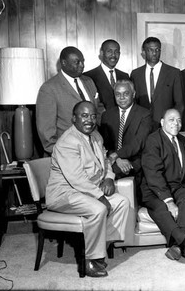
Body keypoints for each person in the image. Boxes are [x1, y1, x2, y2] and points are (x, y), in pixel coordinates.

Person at [46, 101, 129, 277]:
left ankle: (100, 250)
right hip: (65, 193)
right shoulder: (67, 142)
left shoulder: (96, 136)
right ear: (73, 118)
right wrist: (100, 196)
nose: (89, 120)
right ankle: (90, 260)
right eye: (84, 116)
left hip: (88, 190)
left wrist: (108, 178)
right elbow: (76, 179)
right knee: (99, 208)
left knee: (122, 202)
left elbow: (106, 161)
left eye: (93, 116)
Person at [139, 109, 185, 261]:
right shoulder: (153, 140)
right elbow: (153, 174)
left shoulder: (182, 140)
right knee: (161, 207)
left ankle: (177, 245)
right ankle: (184, 238)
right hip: (153, 188)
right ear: (162, 122)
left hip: (175, 186)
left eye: (179, 120)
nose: (176, 123)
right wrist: (169, 201)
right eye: (171, 120)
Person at [36, 46, 100, 155]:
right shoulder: (49, 88)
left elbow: (97, 110)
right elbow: (46, 131)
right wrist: (62, 153)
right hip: (67, 154)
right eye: (77, 62)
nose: (82, 65)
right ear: (64, 63)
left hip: (93, 150)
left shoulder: (89, 81)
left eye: (82, 61)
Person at [99, 80, 152, 193]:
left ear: (133, 94)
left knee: (109, 173)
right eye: (118, 94)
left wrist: (116, 155)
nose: (121, 97)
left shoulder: (144, 115)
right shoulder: (107, 115)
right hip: (114, 159)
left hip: (134, 160)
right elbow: (105, 143)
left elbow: (138, 143)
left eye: (126, 93)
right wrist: (117, 158)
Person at [130, 37, 184, 126]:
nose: (154, 53)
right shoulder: (136, 74)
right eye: (150, 50)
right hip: (142, 125)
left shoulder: (173, 73)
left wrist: (173, 123)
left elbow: (179, 103)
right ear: (144, 52)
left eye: (157, 50)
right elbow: (133, 102)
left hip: (166, 126)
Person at [84, 39, 129, 111]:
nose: (113, 55)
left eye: (116, 52)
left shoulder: (125, 76)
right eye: (109, 51)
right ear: (102, 53)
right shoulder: (88, 77)